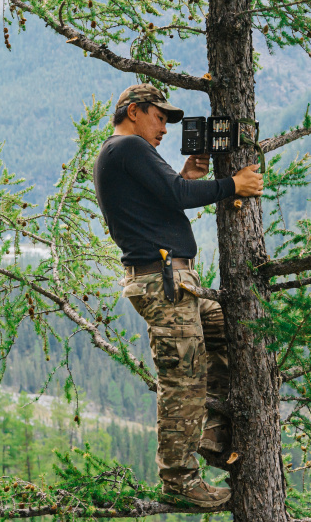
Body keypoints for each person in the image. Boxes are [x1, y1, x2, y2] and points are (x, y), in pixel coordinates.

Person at [92, 84, 264, 507]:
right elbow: (176, 198)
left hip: (172, 280)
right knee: (182, 381)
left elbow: (165, 198)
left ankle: (211, 431)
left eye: (170, 120)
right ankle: (179, 480)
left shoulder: (121, 153)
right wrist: (233, 184)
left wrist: (185, 178)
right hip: (163, 281)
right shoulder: (127, 148)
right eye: (160, 117)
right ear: (134, 111)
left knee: (224, 328)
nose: (166, 128)